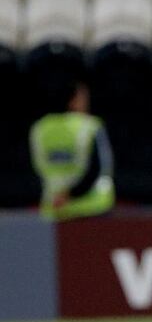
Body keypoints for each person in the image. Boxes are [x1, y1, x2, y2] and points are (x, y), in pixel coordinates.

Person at [29, 81, 115, 221]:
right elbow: (99, 168)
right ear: (73, 101)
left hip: (56, 208)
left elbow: (38, 167)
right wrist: (72, 194)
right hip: (92, 208)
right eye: (83, 98)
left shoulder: (39, 128)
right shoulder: (90, 126)